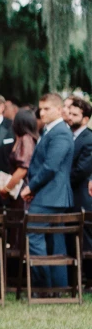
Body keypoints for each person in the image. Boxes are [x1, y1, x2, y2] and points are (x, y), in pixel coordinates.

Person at [21, 94, 75, 290]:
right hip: (52, 195)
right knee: (54, 240)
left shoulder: (60, 132)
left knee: (34, 235)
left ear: (59, 110)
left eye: (47, 109)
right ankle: (57, 287)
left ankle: (42, 286)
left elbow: (51, 166)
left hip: (51, 195)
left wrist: (31, 186)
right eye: (40, 109)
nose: (41, 113)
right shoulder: (50, 130)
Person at [64, 96, 92, 255]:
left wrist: (61, 181)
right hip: (68, 197)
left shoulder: (89, 139)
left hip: (81, 197)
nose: (70, 117)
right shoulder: (67, 135)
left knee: (85, 242)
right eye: (70, 113)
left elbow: (82, 170)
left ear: (85, 119)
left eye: (75, 115)